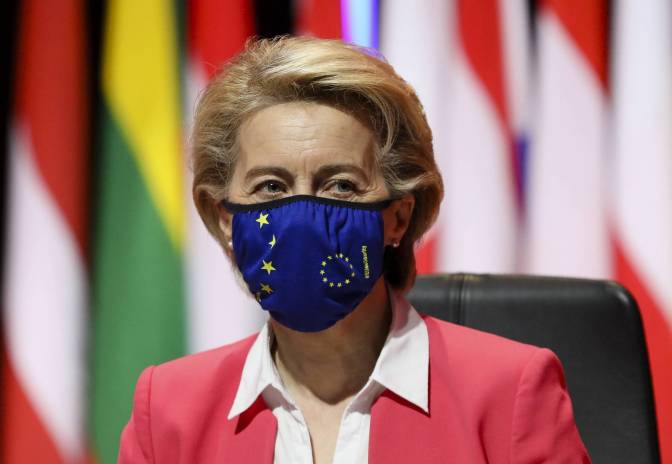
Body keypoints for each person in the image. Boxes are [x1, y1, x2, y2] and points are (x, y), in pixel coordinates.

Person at [118, 36, 589, 464]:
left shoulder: (510, 392)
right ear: (225, 217)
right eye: (270, 186)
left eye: (341, 185)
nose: (302, 215)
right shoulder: (169, 410)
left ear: (397, 217)